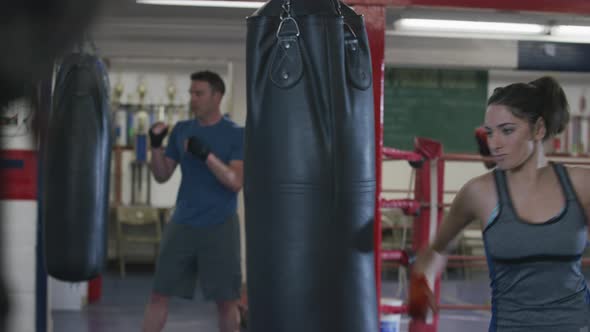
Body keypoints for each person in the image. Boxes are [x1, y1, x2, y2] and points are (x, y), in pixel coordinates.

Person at [409, 76, 590, 331]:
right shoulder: (479, 193)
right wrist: (422, 279)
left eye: (507, 131)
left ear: (538, 129)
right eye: (490, 132)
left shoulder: (581, 185)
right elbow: (437, 248)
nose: (494, 144)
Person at [142, 70, 244, 332]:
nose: (192, 99)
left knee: (226, 302)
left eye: (199, 93)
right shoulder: (182, 130)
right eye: (191, 93)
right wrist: (155, 146)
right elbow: (162, 174)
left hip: (220, 225)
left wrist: (206, 155)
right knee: (158, 294)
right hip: (183, 223)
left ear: (217, 96)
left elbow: (234, 181)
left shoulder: (236, 134)